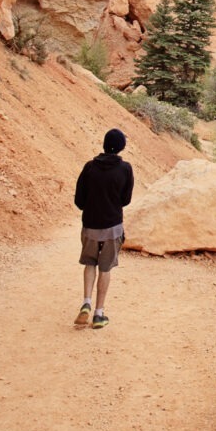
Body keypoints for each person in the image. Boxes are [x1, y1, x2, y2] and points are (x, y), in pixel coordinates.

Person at [73, 128, 134, 329]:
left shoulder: (90, 167)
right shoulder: (125, 169)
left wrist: (91, 208)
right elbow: (126, 199)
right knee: (105, 268)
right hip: (112, 227)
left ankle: (86, 303)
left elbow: (79, 199)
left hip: (90, 225)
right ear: (121, 147)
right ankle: (99, 314)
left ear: (104, 144)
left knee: (89, 263)